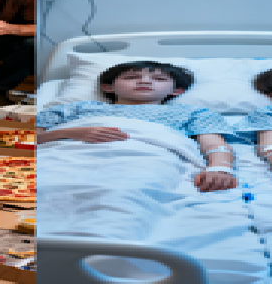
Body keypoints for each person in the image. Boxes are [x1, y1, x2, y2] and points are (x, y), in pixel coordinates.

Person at [37, 61, 240, 193]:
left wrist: (220, 168)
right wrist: (68, 133)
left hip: (145, 160)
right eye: (130, 77)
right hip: (65, 157)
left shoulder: (191, 112)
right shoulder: (76, 108)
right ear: (108, 87)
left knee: (127, 190)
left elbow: (214, 144)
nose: (144, 81)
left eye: (159, 79)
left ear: (177, 91)